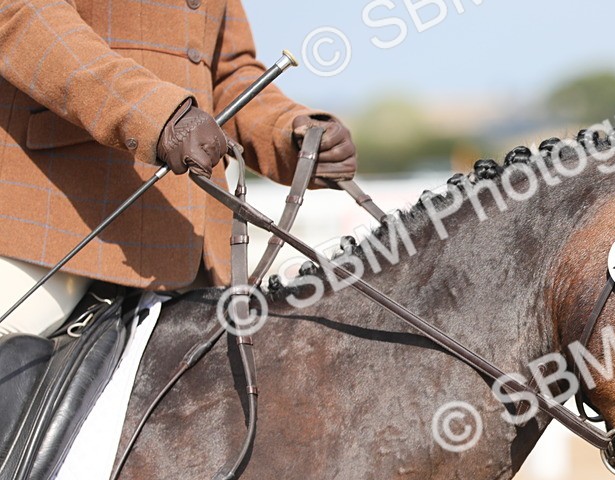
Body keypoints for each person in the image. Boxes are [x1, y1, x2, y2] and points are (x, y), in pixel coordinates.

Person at [0, 0, 357, 337]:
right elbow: (23, 13)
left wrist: (289, 137)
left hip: (192, 243)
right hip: (53, 225)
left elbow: (226, 71)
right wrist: (152, 111)